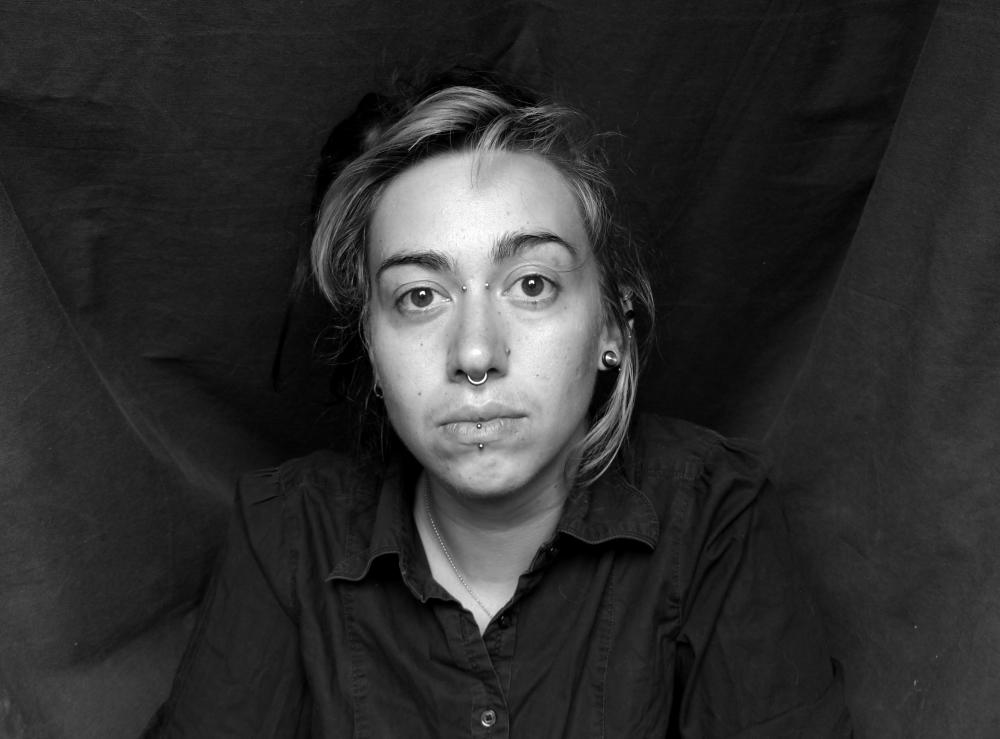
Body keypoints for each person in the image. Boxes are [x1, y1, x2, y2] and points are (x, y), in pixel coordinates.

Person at [145, 70, 850, 737]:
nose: (476, 353)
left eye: (532, 285)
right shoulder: (285, 533)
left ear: (611, 325)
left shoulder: (715, 513)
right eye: (420, 296)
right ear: (373, 351)